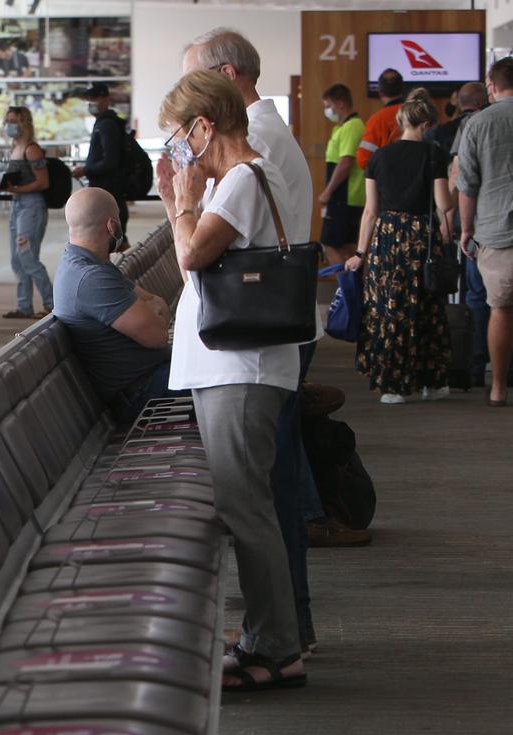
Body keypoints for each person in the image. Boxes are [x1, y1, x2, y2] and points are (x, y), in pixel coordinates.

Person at [182, 28, 348, 648]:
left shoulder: (256, 154)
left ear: (224, 80)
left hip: (250, 345)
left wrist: (183, 202)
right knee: (265, 492)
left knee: (260, 499)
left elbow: (200, 252)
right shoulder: (267, 141)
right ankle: (281, 630)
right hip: (258, 338)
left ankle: (282, 634)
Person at [157, 68, 305, 691]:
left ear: (203, 125)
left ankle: (275, 646)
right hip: (228, 366)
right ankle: (267, 638)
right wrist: (176, 202)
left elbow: (191, 255)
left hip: (241, 370)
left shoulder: (244, 176)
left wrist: (184, 202)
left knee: (246, 508)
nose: (175, 149)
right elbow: (189, 254)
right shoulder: (234, 181)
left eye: (177, 135)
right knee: (243, 504)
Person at [345, 89, 453, 404]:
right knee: (426, 306)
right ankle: (430, 382)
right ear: (427, 123)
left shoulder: (379, 157)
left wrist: (360, 253)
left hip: (387, 237)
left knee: (389, 307)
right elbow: (443, 204)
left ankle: (392, 385)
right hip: (421, 235)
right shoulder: (434, 155)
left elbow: (370, 211)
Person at [53, 186, 170, 419]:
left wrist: (150, 308)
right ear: (112, 226)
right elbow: (158, 334)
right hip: (142, 393)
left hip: (152, 378)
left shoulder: (91, 265)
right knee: (236, 380)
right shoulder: (91, 279)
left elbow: (155, 304)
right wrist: (150, 308)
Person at [458, 57, 513, 406]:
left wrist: (465, 229)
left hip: (494, 231)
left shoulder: (478, 123)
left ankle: (498, 387)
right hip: (495, 229)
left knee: (500, 309)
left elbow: (467, 184)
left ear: (491, 87)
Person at [442, 83, 489, 386]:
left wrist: (454, 220)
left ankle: (478, 364)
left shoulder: (473, 126)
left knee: (477, 296)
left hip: (482, 226)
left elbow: (460, 178)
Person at [0, 107, 53, 320]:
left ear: (24, 123)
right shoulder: (14, 148)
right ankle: (24, 306)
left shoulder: (31, 149)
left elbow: (43, 182)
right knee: (17, 259)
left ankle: (51, 303)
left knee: (27, 256)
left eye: (14, 121)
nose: (10, 125)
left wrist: (16, 189)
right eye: (7, 120)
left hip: (31, 207)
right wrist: (5, 187)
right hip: (17, 206)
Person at [72, 83, 129, 237]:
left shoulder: (107, 125)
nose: (91, 102)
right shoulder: (104, 123)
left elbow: (110, 161)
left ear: (106, 99)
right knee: (112, 241)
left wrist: (86, 170)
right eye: (89, 98)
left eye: (95, 97)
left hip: (109, 191)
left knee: (112, 240)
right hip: (107, 191)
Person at [319, 83, 365, 266]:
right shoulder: (342, 127)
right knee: (347, 247)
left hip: (344, 196)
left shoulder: (352, 126)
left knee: (329, 245)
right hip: (346, 197)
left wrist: (328, 192)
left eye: (328, 105)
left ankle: (346, 290)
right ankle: (354, 290)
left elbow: (345, 163)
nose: (327, 110)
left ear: (340, 103)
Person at [356, 68, 405, 169]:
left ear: (380, 92)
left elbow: (363, 160)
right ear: (402, 89)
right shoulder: (417, 114)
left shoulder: (376, 120)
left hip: (388, 180)